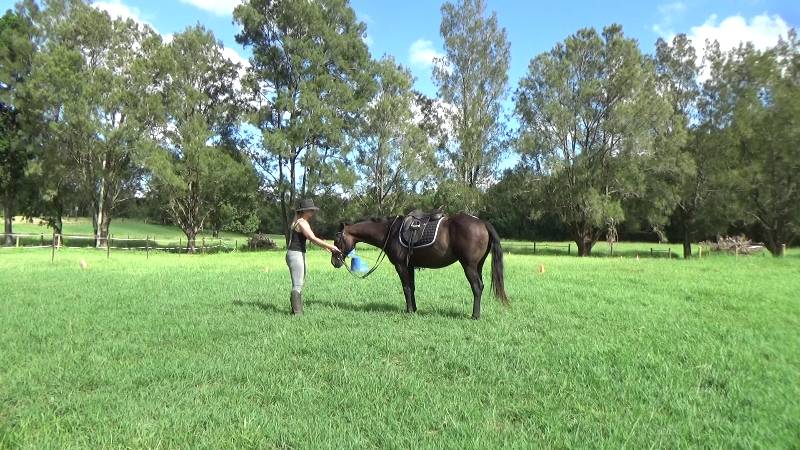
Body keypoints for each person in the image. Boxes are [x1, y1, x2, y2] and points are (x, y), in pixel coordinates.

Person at [285, 198, 339, 315]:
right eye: (310, 210)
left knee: (300, 282)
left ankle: (296, 309)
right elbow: (312, 238)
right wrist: (329, 246)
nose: (312, 212)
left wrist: (324, 246)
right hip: (295, 254)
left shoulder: (303, 222)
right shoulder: (301, 223)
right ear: (304, 211)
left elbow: (312, 238)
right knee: (298, 284)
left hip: (299, 253)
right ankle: (297, 313)